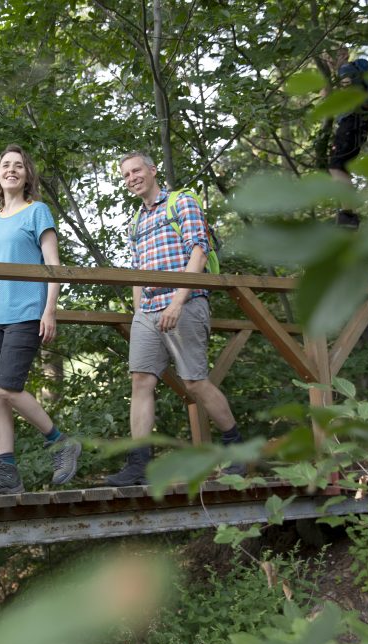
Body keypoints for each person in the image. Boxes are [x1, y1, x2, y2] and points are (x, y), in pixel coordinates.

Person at [106, 152, 243, 486]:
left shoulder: (181, 202)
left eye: (136, 171)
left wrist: (178, 301)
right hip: (148, 310)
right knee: (140, 380)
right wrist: (139, 312)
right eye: (125, 175)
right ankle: (139, 465)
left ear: (152, 171)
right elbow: (138, 271)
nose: (131, 178)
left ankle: (236, 449)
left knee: (194, 381)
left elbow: (198, 250)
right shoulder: (135, 222)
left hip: (185, 302)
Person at [0, 143, 82, 495]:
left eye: (19, 166)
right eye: (5, 165)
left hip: (26, 312)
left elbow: (53, 265)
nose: (11, 170)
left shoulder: (37, 211)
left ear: (27, 176)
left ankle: (61, 443)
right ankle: (6, 472)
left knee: (9, 387)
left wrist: (50, 309)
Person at [328, 58, 368, 229]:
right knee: (341, 167)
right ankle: (348, 213)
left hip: (350, 123)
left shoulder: (347, 70)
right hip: (360, 127)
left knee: (336, 167)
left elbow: (346, 85)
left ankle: (348, 215)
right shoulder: (367, 82)